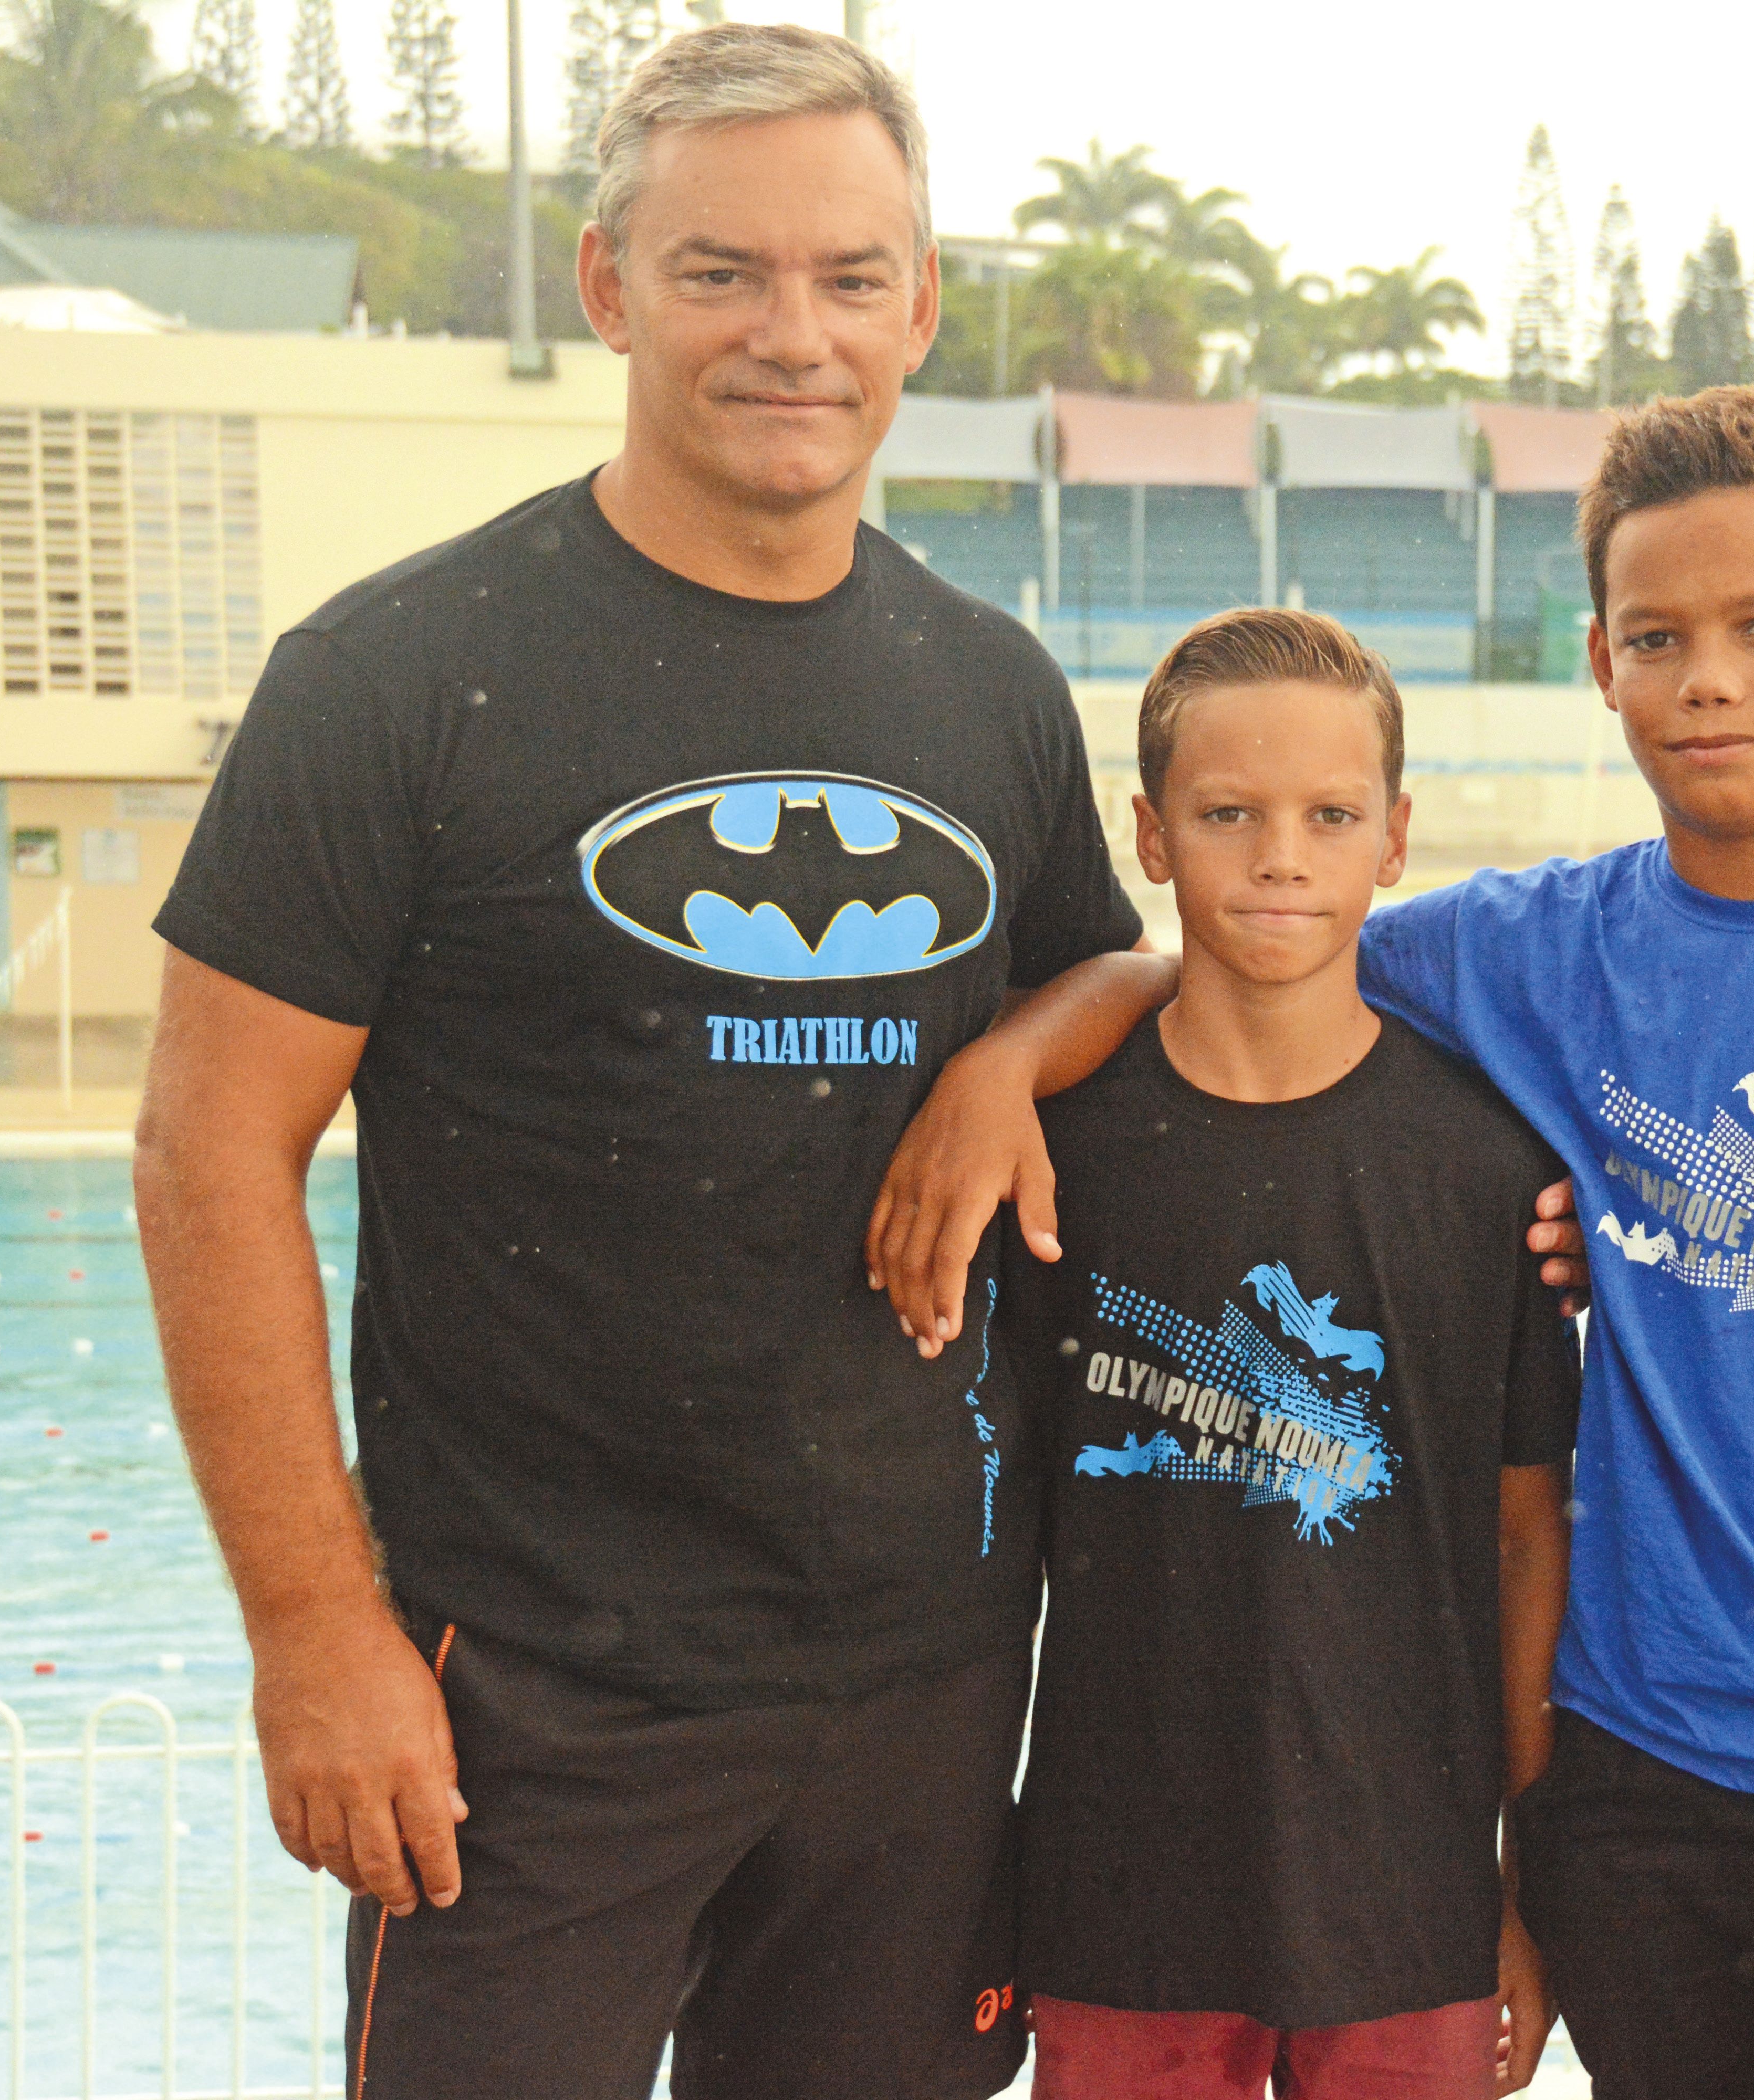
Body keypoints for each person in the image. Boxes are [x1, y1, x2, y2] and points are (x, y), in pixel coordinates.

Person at [876, 386, 1754, 2099]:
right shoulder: (1532, 954)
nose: (1708, 677)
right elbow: (1243, 946)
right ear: (1602, 667)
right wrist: (1008, 1063)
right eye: (1657, 636)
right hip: (1646, 1799)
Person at [131, 27, 1146, 2097]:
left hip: (922, 1694)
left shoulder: (989, 693)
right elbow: (209, 1158)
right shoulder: (394, 683)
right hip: (528, 1706)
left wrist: (1006, 1057)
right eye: (723, 273)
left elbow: (1115, 988)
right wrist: (315, 1632)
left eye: (852, 278)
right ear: (609, 288)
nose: (796, 333)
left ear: (920, 305)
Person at [1006, 608, 1578, 2099]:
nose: (1281, 857)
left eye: (1330, 817)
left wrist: (1529, 1880)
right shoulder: (1059, 1165)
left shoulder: (1485, 1170)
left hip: (1408, 1907)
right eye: (1229, 815)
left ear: (1396, 839)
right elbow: (995, 1553)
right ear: (1150, 834)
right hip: (1116, 1904)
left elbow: (1528, 1542)